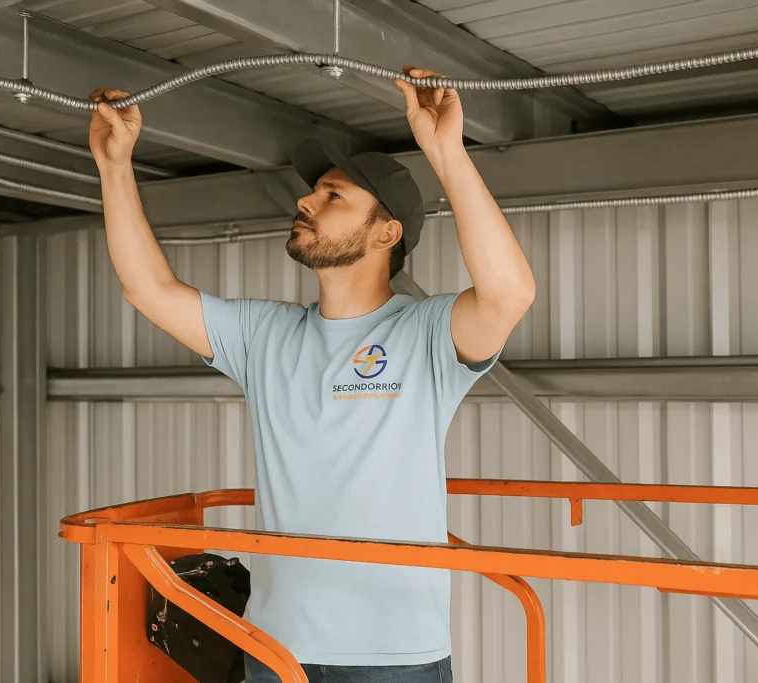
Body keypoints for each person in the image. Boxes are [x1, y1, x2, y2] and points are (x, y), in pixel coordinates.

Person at [88, 65, 535, 683]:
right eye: (314, 191)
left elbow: (509, 293)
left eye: (333, 196)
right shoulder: (264, 335)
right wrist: (115, 167)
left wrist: (445, 152)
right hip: (277, 649)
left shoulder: (427, 334)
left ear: (387, 233)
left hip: (394, 658)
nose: (305, 200)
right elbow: (149, 288)